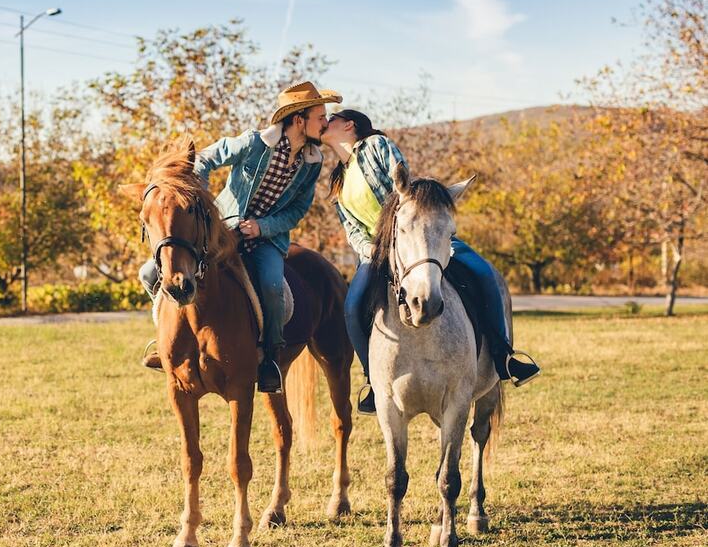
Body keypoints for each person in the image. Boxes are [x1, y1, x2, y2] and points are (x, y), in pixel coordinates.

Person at [320, 109, 540, 415]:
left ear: (348, 125)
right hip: (376, 253)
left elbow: (411, 190)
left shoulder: (377, 146)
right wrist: (368, 248)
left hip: (419, 238)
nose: (323, 123)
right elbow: (351, 227)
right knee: (353, 306)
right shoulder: (337, 180)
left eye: (329, 118)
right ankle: (374, 381)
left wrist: (409, 229)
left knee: (484, 273)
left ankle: (505, 357)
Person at [139, 81, 342, 394]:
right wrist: (198, 197)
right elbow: (207, 158)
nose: (325, 123)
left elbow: (298, 209)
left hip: (266, 240)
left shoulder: (312, 164)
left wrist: (263, 227)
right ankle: (165, 345)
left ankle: (270, 358)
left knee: (274, 287)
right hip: (222, 232)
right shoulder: (254, 143)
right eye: (320, 116)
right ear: (298, 119)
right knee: (149, 272)